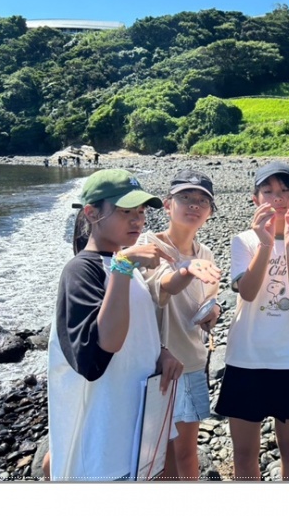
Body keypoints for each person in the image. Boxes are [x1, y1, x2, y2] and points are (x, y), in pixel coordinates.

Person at [47, 169, 184, 481]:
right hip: (104, 451)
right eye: (125, 212)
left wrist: (161, 353)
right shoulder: (82, 271)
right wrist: (123, 265)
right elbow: (101, 349)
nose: (138, 221)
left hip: (139, 429)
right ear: (92, 213)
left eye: (141, 212)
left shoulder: (124, 267)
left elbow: (135, 331)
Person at [214, 162, 289, 480]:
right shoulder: (243, 241)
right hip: (246, 358)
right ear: (255, 199)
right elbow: (248, 292)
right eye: (268, 191)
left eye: (286, 191)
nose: (278, 198)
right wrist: (265, 243)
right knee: (244, 452)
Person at [138, 170, 223, 481]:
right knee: (156, 453)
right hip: (157, 366)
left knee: (186, 452)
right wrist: (186, 269)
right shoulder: (149, 245)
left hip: (193, 361)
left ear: (210, 213)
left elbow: (208, 300)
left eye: (202, 201)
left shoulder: (206, 253)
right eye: (185, 198)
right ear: (167, 205)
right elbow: (164, 286)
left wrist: (214, 311)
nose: (194, 205)